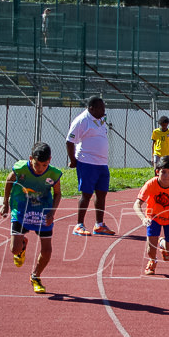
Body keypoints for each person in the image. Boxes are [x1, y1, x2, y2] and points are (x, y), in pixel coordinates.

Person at [0, 142, 62, 294]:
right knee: (14, 250)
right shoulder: (20, 168)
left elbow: (58, 193)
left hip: (42, 211)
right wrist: (5, 204)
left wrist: (52, 212)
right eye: (36, 164)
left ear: (50, 161)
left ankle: (35, 276)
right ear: (30, 159)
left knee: (47, 251)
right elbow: (9, 181)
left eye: (44, 165)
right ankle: (22, 246)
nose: (40, 169)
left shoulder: (54, 174)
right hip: (21, 209)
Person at [134, 155, 169, 276]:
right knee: (151, 249)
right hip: (153, 217)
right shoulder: (150, 184)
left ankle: (161, 242)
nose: (166, 176)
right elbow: (137, 204)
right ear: (157, 172)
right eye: (163, 172)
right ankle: (152, 261)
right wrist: (143, 218)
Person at [67, 95, 115, 236]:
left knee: (102, 194)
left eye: (104, 107)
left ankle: (99, 225)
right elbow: (70, 141)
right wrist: (73, 160)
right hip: (87, 162)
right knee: (86, 194)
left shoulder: (101, 120)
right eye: (101, 107)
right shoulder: (82, 120)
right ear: (91, 108)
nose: (104, 110)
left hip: (102, 163)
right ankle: (79, 225)